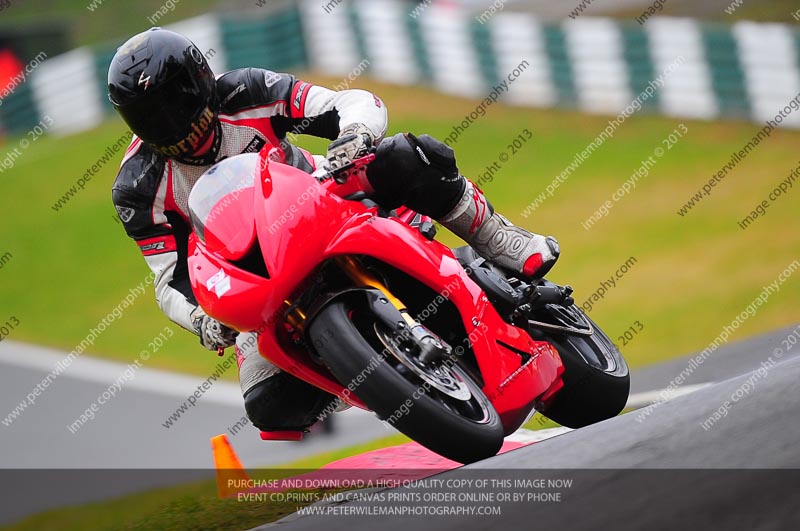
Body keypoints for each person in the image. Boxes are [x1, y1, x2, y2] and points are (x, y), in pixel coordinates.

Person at [109, 28, 559, 437]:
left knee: (406, 155)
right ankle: (378, 379)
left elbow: (345, 103)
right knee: (268, 405)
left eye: (176, 104)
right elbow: (170, 279)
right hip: (255, 277)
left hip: (318, 202)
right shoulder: (137, 187)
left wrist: (354, 135)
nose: (174, 126)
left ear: (201, 80)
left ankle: (501, 243)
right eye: (152, 117)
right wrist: (204, 321)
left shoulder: (245, 91)